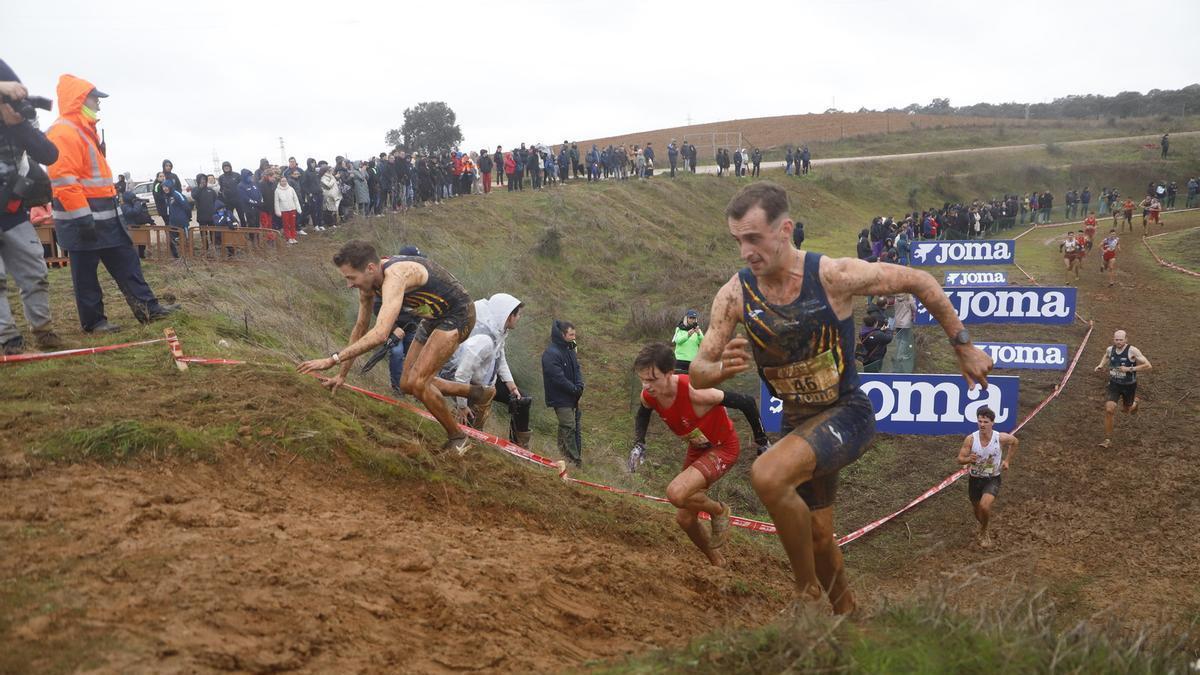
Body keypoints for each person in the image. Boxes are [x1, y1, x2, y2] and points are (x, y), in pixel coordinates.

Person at [689, 182, 992, 614]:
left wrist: (963, 345)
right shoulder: (735, 294)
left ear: (785, 230)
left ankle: (804, 590)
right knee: (816, 534)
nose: (745, 252)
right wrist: (717, 370)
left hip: (846, 413)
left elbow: (921, 281)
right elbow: (699, 370)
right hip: (798, 423)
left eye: (754, 238)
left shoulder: (832, 275)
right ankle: (847, 614)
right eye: (738, 241)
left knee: (768, 475)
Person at [298, 240, 492, 453]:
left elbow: (380, 333)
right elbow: (361, 328)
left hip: (459, 314)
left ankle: (458, 439)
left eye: (351, 278)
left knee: (419, 383)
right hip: (430, 316)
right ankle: (479, 394)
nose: (349, 284)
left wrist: (332, 359)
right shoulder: (369, 283)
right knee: (407, 384)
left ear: (370, 268)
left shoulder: (395, 277)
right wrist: (341, 375)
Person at [46, 74, 179, 332]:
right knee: (85, 275)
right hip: (82, 220)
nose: (99, 104)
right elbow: (63, 180)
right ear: (81, 100)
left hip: (105, 219)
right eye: (96, 99)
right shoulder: (64, 132)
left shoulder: (83, 131)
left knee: (128, 264)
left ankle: (148, 309)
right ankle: (94, 323)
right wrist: (82, 217)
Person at [630, 343, 737, 566]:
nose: (646, 385)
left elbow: (743, 401)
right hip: (698, 448)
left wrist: (761, 439)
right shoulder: (651, 395)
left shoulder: (693, 389)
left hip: (722, 446)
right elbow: (642, 413)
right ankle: (717, 562)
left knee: (676, 494)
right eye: (643, 380)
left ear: (669, 374)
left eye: (651, 380)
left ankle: (719, 511)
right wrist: (639, 443)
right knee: (685, 518)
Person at [0, 62, 63, 354]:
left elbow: (48, 153)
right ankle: (8, 338)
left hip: (12, 210)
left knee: (35, 269)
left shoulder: (19, 121)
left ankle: (44, 329)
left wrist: (19, 125)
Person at [440, 292, 530, 447]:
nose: (519, 318)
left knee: (522, 400)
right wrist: (462, 405)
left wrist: (511, 385)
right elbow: (462, 374)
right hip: (468, 385)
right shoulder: (484, 340)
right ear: (508, 315)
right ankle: (455, 451)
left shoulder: (499, 331)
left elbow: (499, 357)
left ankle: (518, 447)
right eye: (518, 315)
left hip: (485, 385)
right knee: (467, 430)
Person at [955, 406, 1018, 549]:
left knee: (985, 506)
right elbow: (959, 459)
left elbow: (1015, 442)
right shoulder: (971, 439)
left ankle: (984, 531)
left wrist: (1007, 460)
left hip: (992, 478)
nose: (982, 424)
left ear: (992, 423)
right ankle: (984, 526)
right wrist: (968, 460)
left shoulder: (1000, 437)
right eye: (980, 421)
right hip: (975, 479)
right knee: (977, 511)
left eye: (985, 422)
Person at [1094, 330, 1151, 449]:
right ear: (1113, 339)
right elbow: (1106, 356)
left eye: (1121, 340)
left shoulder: (1132, 350)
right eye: (1116, 339)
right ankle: (1107, 439)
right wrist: (1100, 365)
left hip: (1129, 386)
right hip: (1114, 384)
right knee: (1109, 410)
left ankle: (1135, 403)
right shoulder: (1110, 349)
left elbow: (1148, 365)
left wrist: (1129, 369)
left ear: (1126, 340)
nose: (1118, 342)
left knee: (1127, 410)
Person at [541, 319, 583, 466]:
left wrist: (579, 385)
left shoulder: (570, 349)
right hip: (560, 397)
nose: (574, 337)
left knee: (570, 426)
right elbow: (557, 378)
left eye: (574, 334)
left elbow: (577, 368)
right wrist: (574, 389)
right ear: (562, 335)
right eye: (571, 334)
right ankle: (573, 460)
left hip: (572, 396)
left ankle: (564, 455)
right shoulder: (551, 354)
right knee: (569, 425)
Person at [885, 293, 917, 373]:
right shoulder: (909, 297)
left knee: (899, 338)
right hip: (906, 322)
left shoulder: (895, 297)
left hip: (897, 321)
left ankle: (898, 353)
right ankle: (900, 355)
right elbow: (914, 308)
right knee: (905, 339)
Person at [672, 309, 703, 373]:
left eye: (694, 318)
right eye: (690, 318)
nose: (692, 320)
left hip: (693, 362)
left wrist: (699, 334)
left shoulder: (698, 330)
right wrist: (688, 335)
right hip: (680, 361)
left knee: (691, 382)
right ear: (686, 318)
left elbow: (704, 343)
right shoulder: (679, 329)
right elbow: (678, 341)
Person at [274, 174, 302, 244]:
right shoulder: (277, 191)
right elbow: (276, 202)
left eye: (285, 181)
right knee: (286, 225)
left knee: (293, 224)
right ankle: (288, 237)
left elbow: (295, 199)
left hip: (292, 209)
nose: (284, 182)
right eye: (282, 181)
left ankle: (293, 237)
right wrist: (278, 211)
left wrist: (298, 208)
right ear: (280, 182)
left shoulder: (291, 189)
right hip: (284, 210)